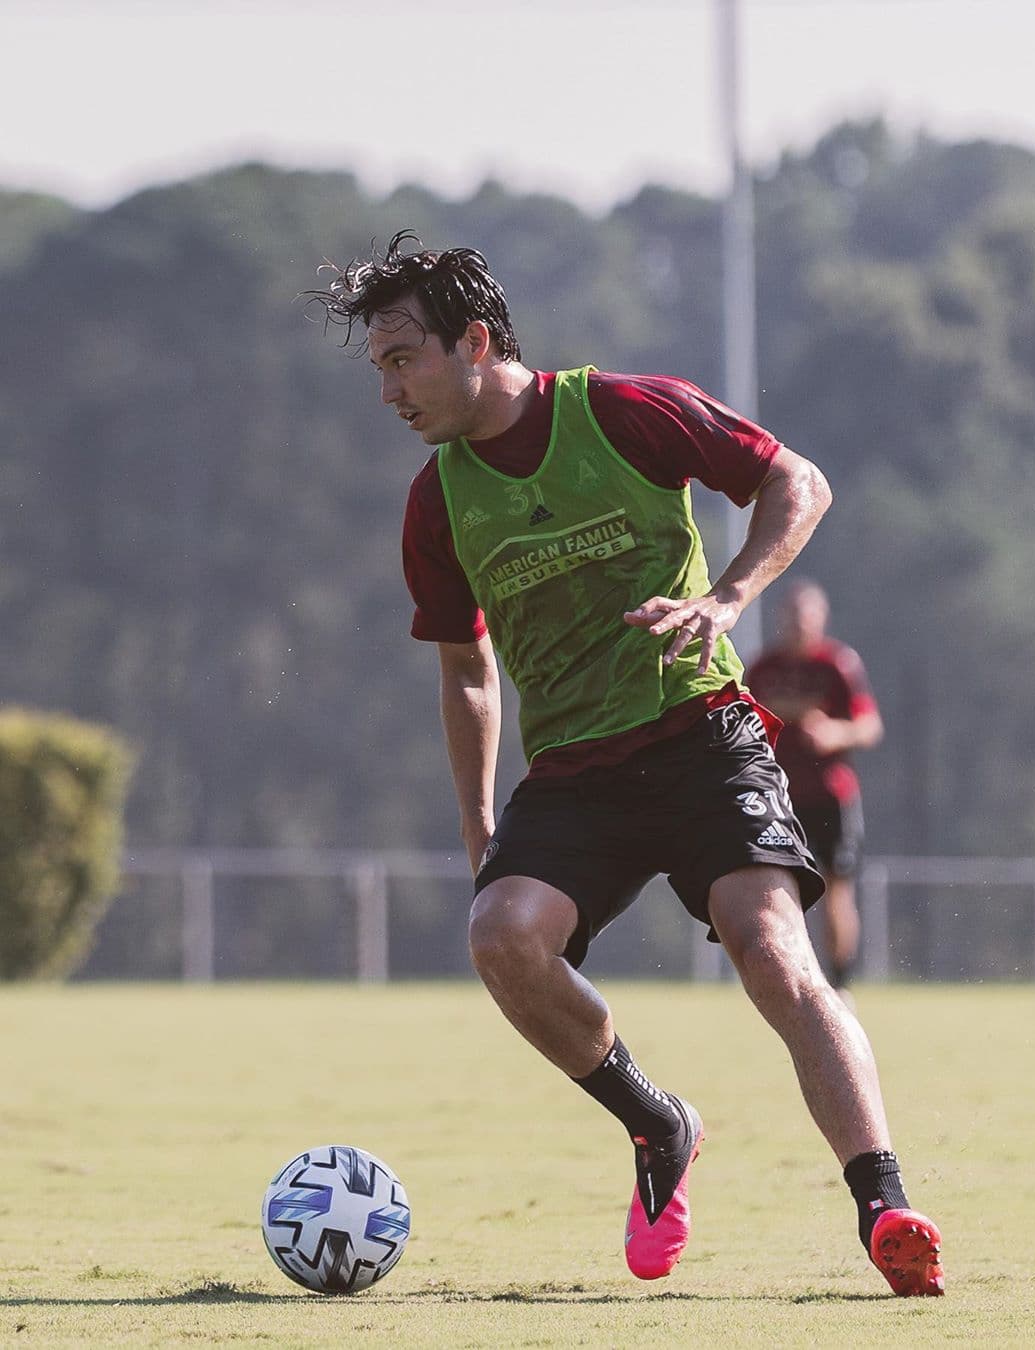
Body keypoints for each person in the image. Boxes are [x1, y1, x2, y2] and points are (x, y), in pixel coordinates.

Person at [308, 231, 943, 1296]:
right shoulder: (437, 501)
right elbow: (467, 669)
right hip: (573, 774)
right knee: (501, 937)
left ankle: (886, 1207)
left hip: (703, 735)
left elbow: (799, 481)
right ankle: (659, 1124)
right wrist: (478, 824)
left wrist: (730, 595)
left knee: (773, 952)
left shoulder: (624, 411)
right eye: (377, 367)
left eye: (401, 358)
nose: (388, 391)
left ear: (475, 342)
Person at [747, 580, 884, 996]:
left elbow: (869, 726)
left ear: (820, 620)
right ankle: (796, 981)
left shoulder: (838, 666)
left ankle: (840, 985)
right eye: (791, 617)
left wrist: (834, 734)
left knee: (836, 890)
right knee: (778, 893)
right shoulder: (763, 668)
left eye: (806, 619)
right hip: (778, 797)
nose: (798, 626)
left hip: (831, 798)